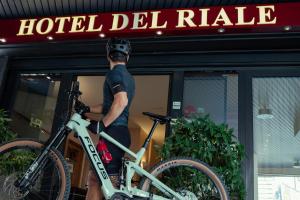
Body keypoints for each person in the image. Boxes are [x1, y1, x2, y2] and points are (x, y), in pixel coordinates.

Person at [85, 38, 135, 200]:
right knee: (95, 179)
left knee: (108, 184)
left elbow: (121, 101)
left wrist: (102, 124)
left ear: (108, 55)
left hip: (113, 133)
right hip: (118, 132)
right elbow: (111, 104)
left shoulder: (114, 73)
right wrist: (87, 109)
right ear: (127, 57)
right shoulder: (128, 77)